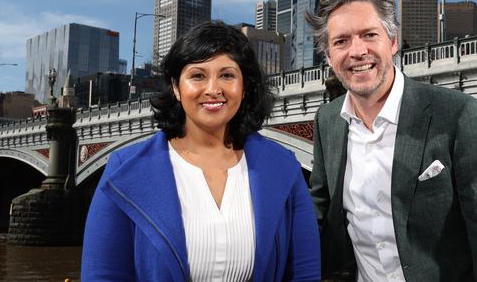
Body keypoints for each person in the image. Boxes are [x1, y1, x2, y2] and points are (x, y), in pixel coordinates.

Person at [306, 0, 477, 281]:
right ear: (328, 56)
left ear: (393, 41)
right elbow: (318, 212)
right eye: (341, 41)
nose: (357, 51)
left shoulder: (462, 116)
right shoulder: (328, 120)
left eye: (369, 35)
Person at [82, 21, 320, 281]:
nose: (213, 89)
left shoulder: (283, 168)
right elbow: (103, 274)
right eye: (198, 75)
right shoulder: (125, 170)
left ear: (244, 86)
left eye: (227, 75)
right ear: (176, 87)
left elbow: (304, 273)